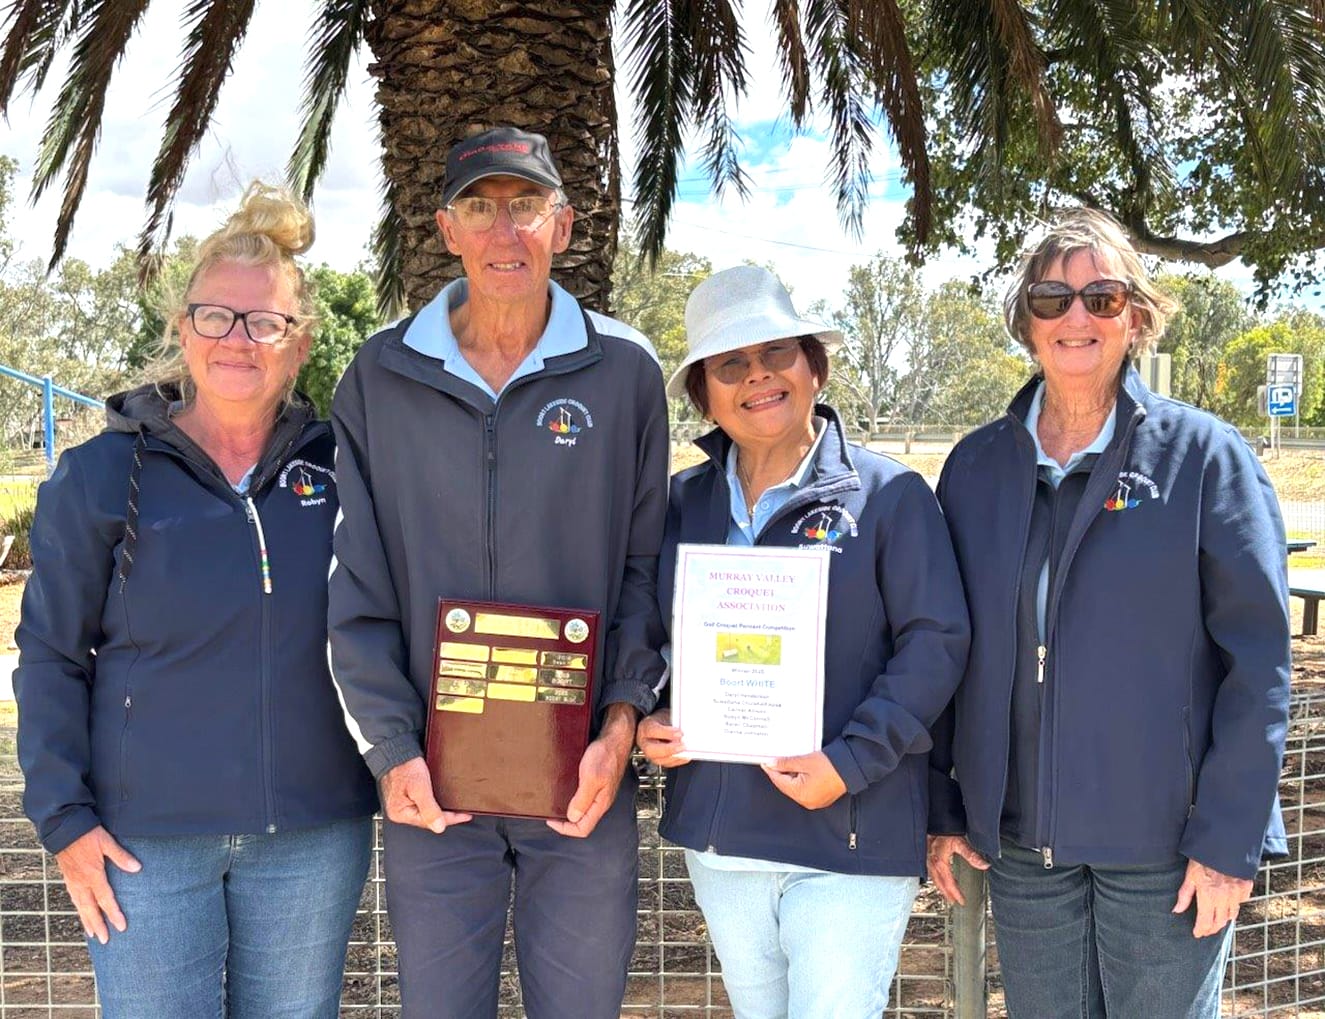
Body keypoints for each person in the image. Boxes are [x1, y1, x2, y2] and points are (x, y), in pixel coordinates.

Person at [327, 126, 669, 1018]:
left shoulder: (624, 371)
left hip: (583, 777)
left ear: (563, 225)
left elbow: (644, 567)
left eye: (526, 207)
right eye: (480, 207)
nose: (503, 231)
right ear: (446, 228)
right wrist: (393, 749)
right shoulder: (380, 374)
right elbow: (355, 584)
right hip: (433, 789)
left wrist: (621, 722)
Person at [14, 182, 378, 1018]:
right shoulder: (106, 475)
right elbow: (51, 655)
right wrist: (63, 817)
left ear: (300, 341)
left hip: (314, 835)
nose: (237, 339)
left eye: (264, 321)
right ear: (184, 329)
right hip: (144, 843)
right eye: (216, 315)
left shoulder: (343, 471)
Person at [927, 209, 1291, 1018]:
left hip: (1165, 850)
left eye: (1102, 294)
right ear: (1026, 319)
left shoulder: (1204, 457)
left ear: (1136, 314)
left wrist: (1229, 840)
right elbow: (944, 649)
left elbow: (1259, 662)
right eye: (1053, 298)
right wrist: (943, 806)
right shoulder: (976, 467)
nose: (1077, 317)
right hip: (1023, 850)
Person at [636, 266, 970, 1019]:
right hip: (722, 843)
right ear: (704, 395)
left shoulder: (888, 497)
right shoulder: (679, 504)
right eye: (729, 364)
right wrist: (651, 711)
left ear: (813, 366)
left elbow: (934, 645)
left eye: (776, 353)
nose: (756, 375)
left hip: (847, 834)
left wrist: (847, 762)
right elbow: (651, 632)